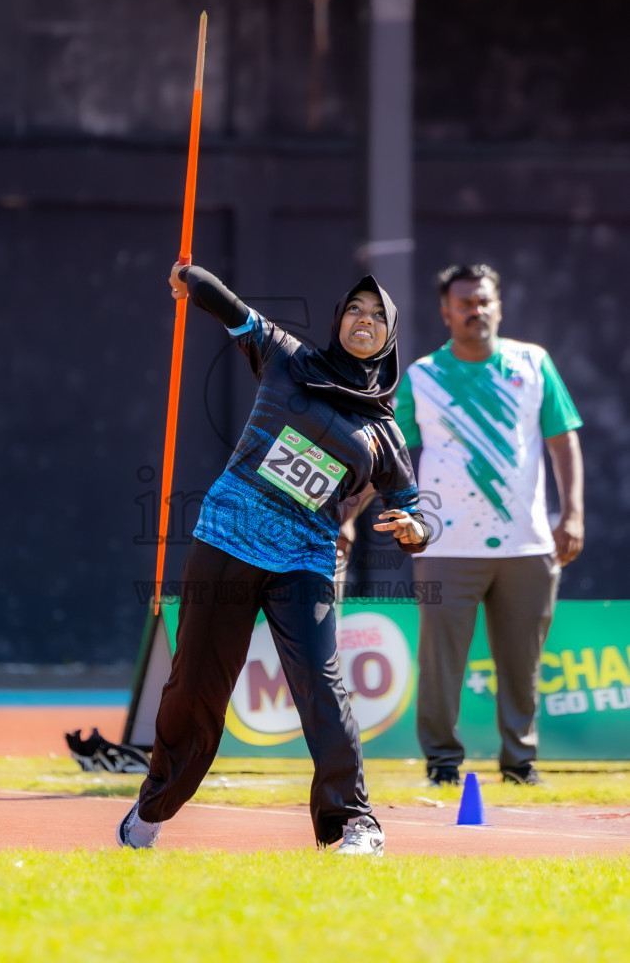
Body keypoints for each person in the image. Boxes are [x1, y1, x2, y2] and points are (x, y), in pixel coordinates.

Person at [117, 263, 431, 854]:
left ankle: (351, 824)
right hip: (228, 538)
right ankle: (152, 809)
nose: (364, 321)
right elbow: (227, 306)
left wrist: (413, 527)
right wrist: (190, 279)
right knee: (195, 687)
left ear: (390, 336)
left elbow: (415, 516)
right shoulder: (286, 357)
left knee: (322, 683)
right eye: (354, 310)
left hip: (305, 557)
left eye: (377, 316)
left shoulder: (385, 432)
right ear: (338, 319)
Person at [394, 263, 584, 787]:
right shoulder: (423, 375)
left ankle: (520, 764)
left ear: (498, 305)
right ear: (445, 311)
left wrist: (572, 513)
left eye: (484, 301)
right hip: (444, 545)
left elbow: (562, 438)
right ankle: (442, 764)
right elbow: (391, 454)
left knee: (521, 664)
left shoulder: (533, 362)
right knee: (440, 664)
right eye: (464, 303)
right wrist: (345, 514)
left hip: (528, 545)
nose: (475, 311)